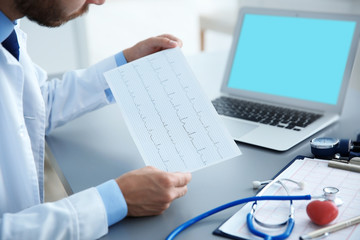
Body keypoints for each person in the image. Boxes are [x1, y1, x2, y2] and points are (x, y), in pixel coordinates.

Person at [0, 0, 192, 239]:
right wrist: (113, 201)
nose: (99, 1)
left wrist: (124, 65)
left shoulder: (7, 31)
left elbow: (32, 106)